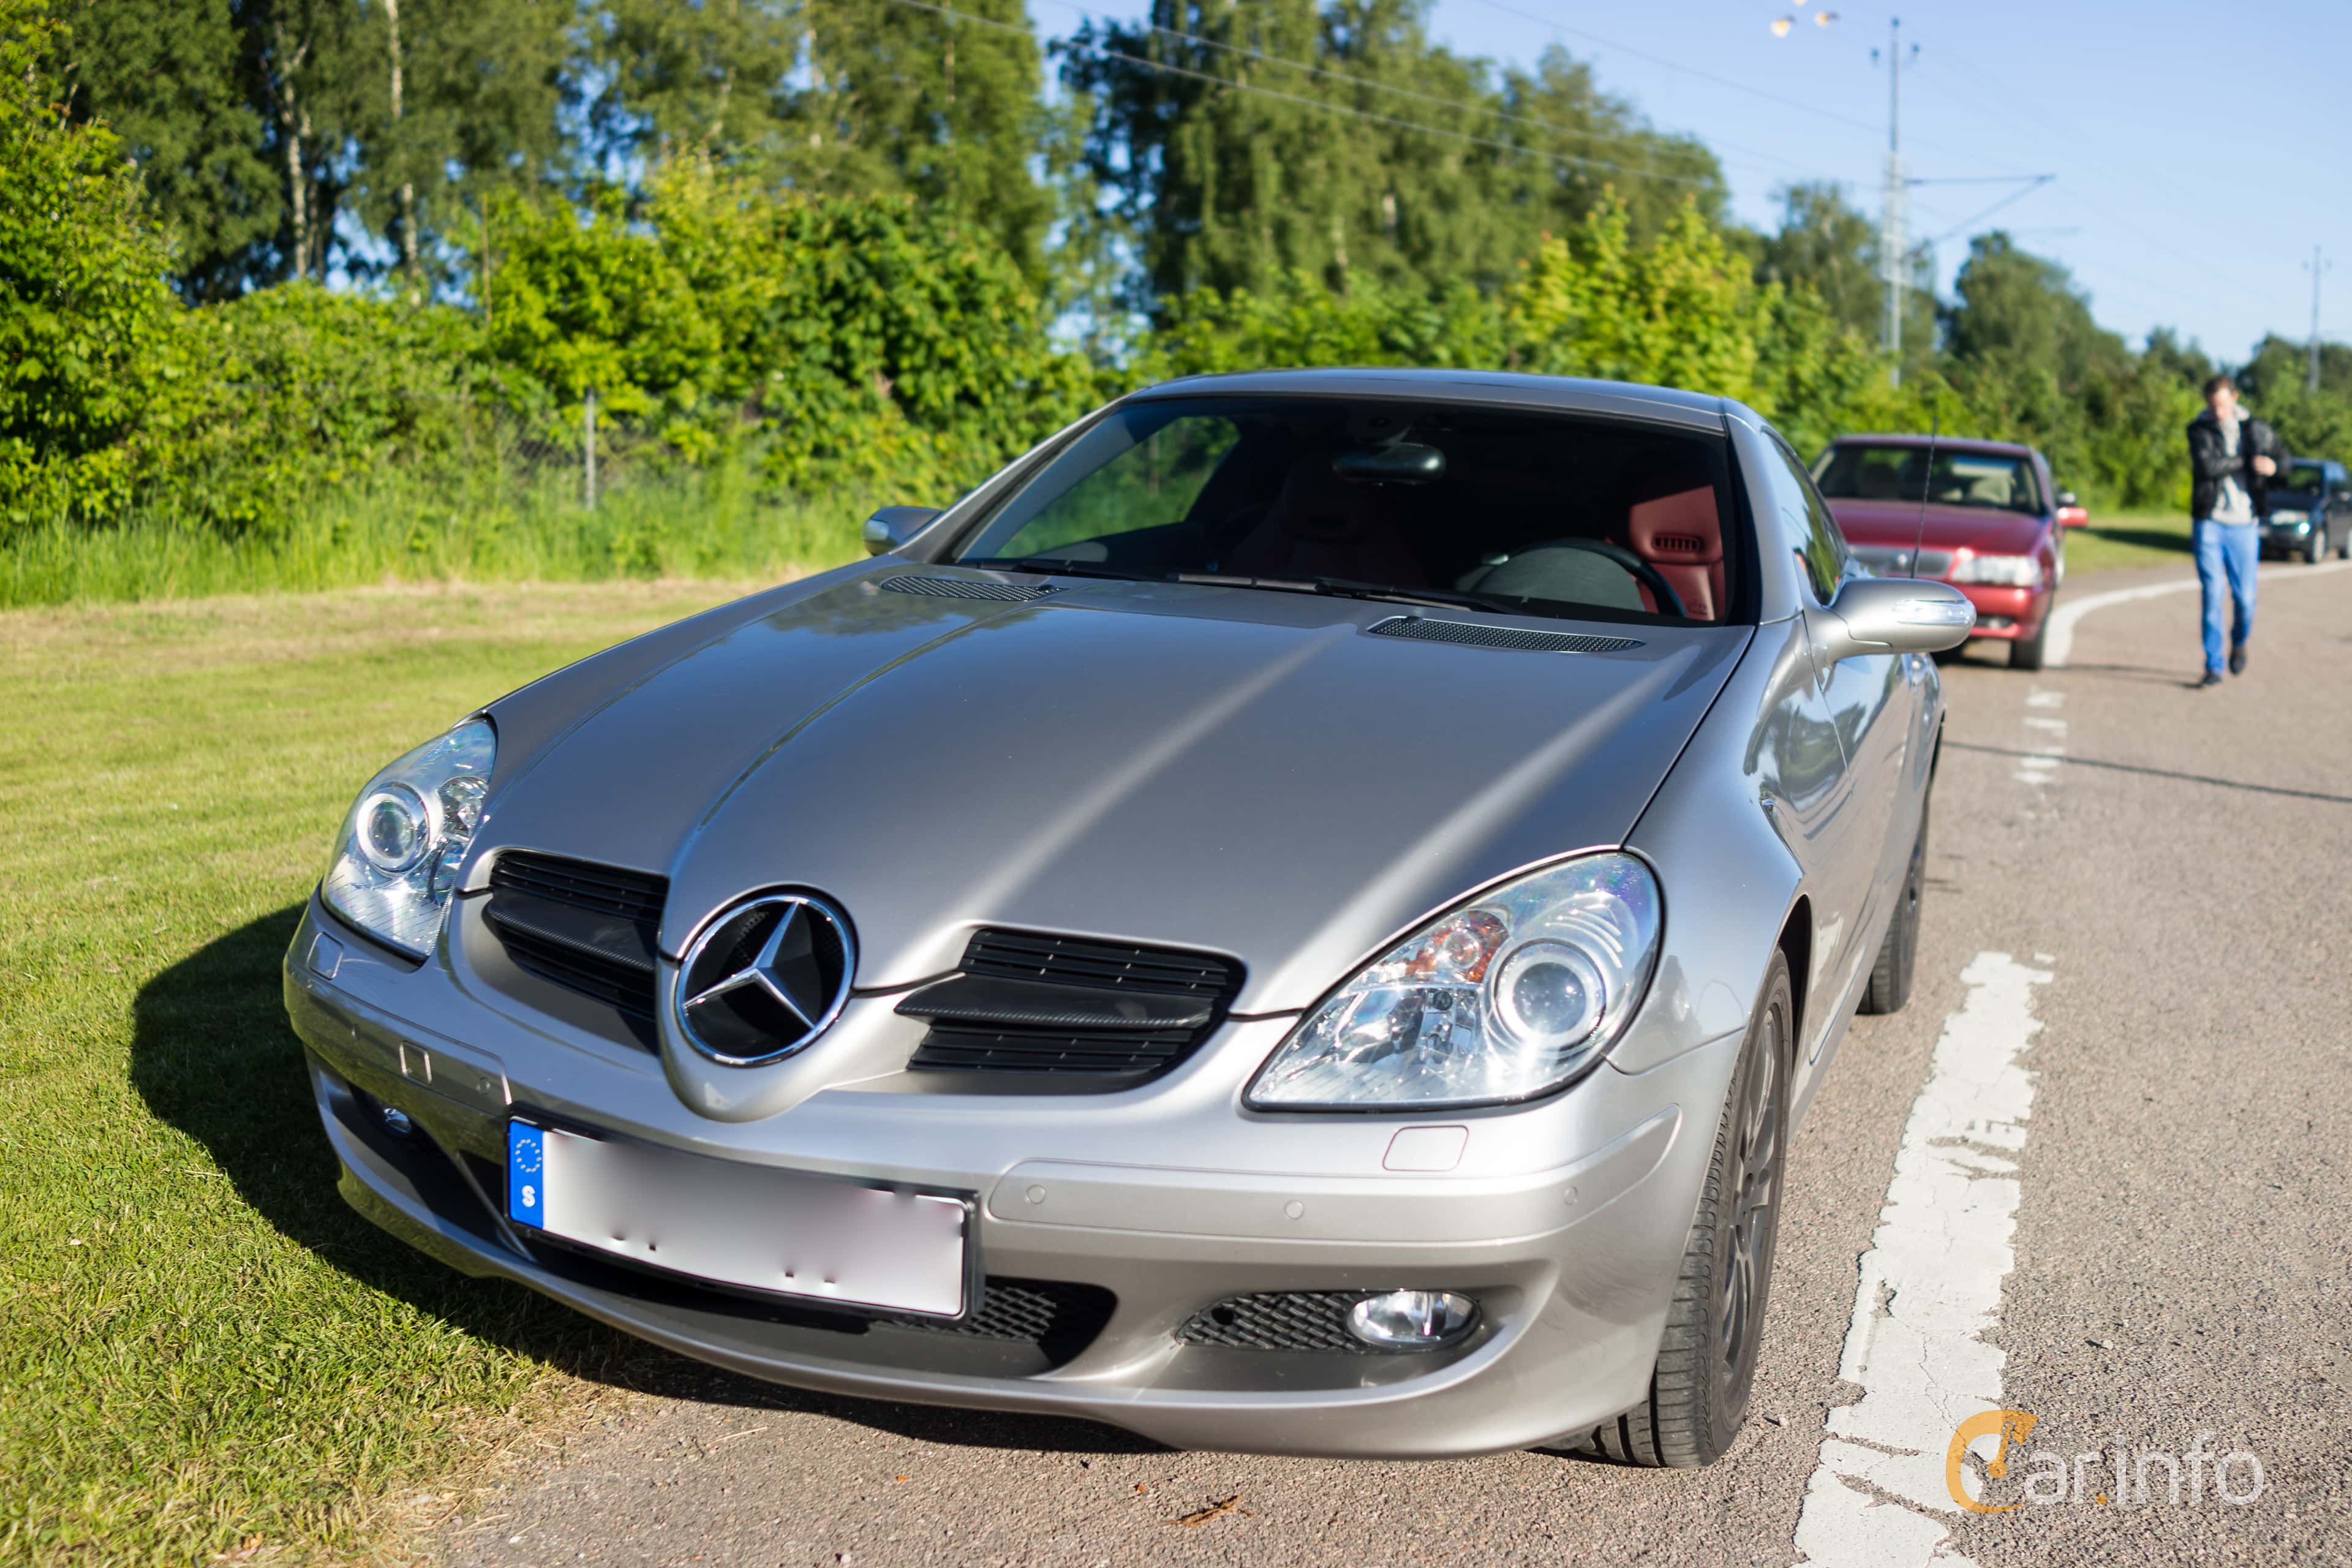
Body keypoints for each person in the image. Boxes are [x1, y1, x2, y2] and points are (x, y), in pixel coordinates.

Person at [2186, 374, 2282, 687]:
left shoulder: (2256, 428)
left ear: (2235, 398)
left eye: (2223, 405)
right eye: (2213, 406)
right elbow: (2207, 467)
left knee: (2246, 601)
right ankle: (2213, 666)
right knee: (2212, 594)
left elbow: (2284, 459)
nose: (2218, 412)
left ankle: (2239, 642)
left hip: (2244, 524)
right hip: (2210, 522)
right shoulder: (2199, 430)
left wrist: (2273, 466)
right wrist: (2246, 460)